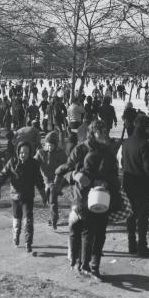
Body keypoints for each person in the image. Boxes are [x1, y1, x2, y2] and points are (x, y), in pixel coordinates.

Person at [55, 120, 121, 279]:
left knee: (101, 233)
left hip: (103, 196)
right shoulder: (81, 149)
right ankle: (84, 264)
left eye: (106, 131)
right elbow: (64, 170)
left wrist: (108, 182)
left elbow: (114, 174)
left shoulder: (108, 151)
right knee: (87, 230)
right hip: (82, 196)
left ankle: (94, 265)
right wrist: (75, 175)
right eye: (101, 131)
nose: (105, 134)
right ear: (93, 133)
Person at [0, 141, 48, 254]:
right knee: (17, 219)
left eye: (26, 153)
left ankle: (28, 242)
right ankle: (16, 237)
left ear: (30, 154)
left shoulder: (33, 164)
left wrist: (43, 195)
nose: (24, 155)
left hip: (28, 196)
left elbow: (39, 180)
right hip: (15, 196)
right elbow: (3, 175)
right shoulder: (12, 162)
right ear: (18, 152)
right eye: (22, 152)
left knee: (28, 219)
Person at [121, 114, 149, 257]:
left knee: (130, 216)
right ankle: (142, 246)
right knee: (143, 218)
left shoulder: (126, 142)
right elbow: (148, 168)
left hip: (128, 184)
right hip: (142, 186)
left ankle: (131, 245)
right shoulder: (145, 144)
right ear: (145, 127)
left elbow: (123, 163)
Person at [36, 131, 69, 230]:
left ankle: (54, 220)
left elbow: (66, 167)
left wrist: (59, 180)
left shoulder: (61, 153)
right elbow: (33, 163)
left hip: (57, 180)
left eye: (52, 145)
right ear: (45, 144)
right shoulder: (41, 153)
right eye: (48, 145)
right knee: (46, 199)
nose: (50, 147)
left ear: (56, 144)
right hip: (45, 180)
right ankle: (53, 217)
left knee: (52, 198)